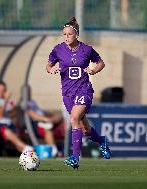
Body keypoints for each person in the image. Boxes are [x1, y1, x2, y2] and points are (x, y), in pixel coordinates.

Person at [46, 17, 112, 169]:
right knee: (85, 129)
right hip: (67, 94)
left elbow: (100, 62)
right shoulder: (58, 49)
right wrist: (51, 69)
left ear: (76, 34)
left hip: (84, 90)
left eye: (69, 34)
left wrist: (93, 70)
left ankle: (75, 158)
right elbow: (48, 65)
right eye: (64, 34)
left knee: (74, 118)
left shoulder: (86, 49)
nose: (66, 37)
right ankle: (102, 141)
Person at [0, 81, 33, 153]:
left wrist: (7, 112)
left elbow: (13, 113)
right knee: (7, 131)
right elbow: (0, 115)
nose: (1, 92)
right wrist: (5, 101)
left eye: (3, 90)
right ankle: (25, 147)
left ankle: (27, 153)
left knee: (16, 134)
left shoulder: (9, 101)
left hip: (9, 124)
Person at [24, 85, 62, 157]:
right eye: (26, 92)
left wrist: (50, 117)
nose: (28, 93)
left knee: (58, 117)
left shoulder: (32, 102)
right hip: (35, 124)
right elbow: (32, 114)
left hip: (43, 120)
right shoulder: (24, 103)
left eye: (29, 91)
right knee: (48, 128)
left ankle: (59, 149)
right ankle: (54, 151)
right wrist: (45, 119)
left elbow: (40, 112)